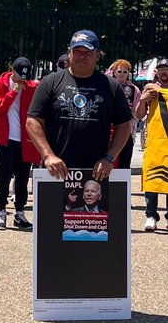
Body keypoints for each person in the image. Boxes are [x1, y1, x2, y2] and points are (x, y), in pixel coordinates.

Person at [27, 29, 133, 199]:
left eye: (87, 52)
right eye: (77, 51)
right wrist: (47, 155)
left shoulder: (111, 86)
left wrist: (110, 157)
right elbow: (33, 121)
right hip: (55, 170)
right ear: (69, 53)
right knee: (51, 224)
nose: (81, 56)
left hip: (97, 172)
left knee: (93, 222)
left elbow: (124, 125)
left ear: (98, 55)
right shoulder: (50, 82)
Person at [0, 58, 41, 230]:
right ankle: (1, 212)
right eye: (19, 76)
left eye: (25, 77)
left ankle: (20, 213)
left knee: (22, 180)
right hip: (7, 140)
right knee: (3, 178)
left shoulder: (31, 87)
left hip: (25, 141)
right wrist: (13, 93)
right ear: (12, 70)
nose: (22, 80)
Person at [135, 59, 168, 232]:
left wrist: (158, 91)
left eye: (167, 69)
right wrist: (143, 99)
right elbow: (139, 114)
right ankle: (150, 214)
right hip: (154, 139)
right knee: (152, 176)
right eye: (160, 69)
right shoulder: (149, 89)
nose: (163, 72)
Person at [108, 59, 140, 170]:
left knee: (124, 163)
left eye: (125, 72)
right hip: (108, 130)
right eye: (119, 71)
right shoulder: (107, 85)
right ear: (114, 72)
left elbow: (136, 111)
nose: (122, 74)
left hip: (127, 131)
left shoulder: (134, 90)